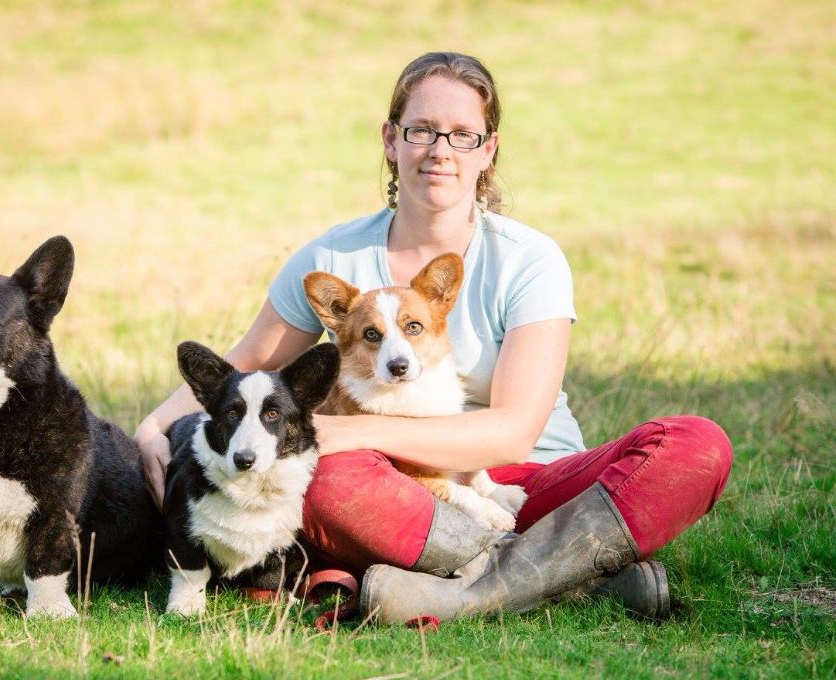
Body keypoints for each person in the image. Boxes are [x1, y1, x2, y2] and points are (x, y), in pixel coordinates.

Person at [136, 51, 733, 623]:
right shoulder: (332, 253)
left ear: (488, 149)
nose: (440, 151)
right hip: (400, 492)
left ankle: (470, 587)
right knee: (330, 482)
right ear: (391, 140)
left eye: (462, 134)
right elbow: (246, 367)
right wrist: (154, 425)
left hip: (528, 484)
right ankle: (573, 572)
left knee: (694, 445)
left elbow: (514, 431)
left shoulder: (530, 259)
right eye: (421, 130)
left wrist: (350, 431)